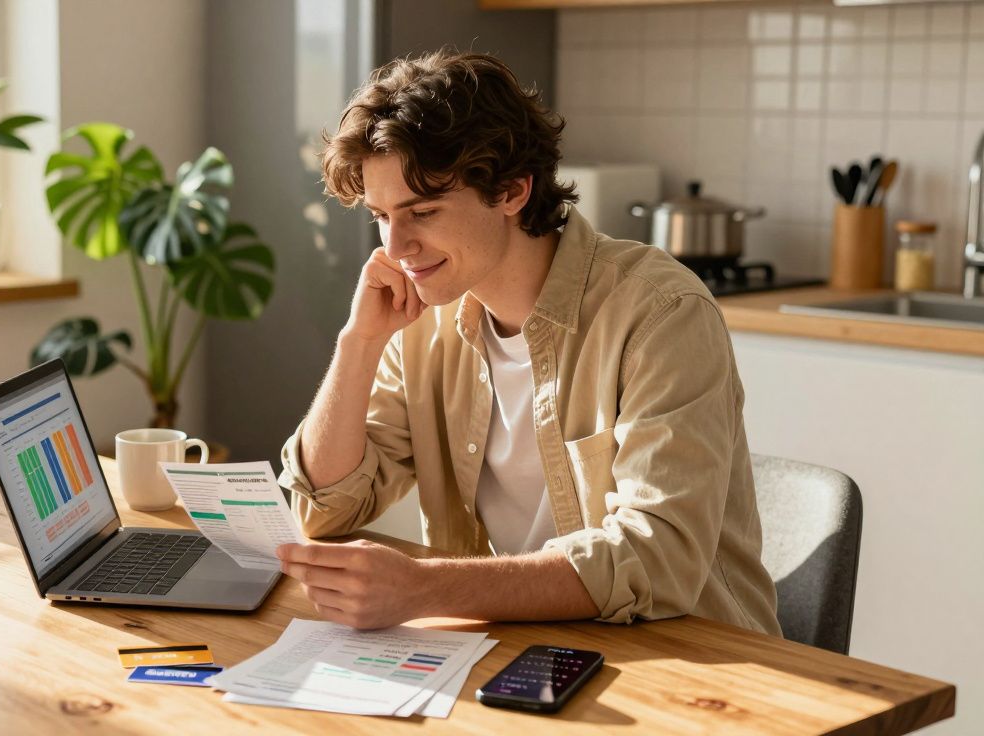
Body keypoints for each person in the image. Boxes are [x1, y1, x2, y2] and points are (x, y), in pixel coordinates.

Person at [275, 50, 782, 637]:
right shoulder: (423, 319)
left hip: (693, 663)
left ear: (513, 190)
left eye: (424, 211)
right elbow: (323, 510)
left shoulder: (661, 313)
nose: (398, 247)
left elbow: (655, 558)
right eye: (381, 216)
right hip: (520, 646)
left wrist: (425, 588)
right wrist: (357, 343)